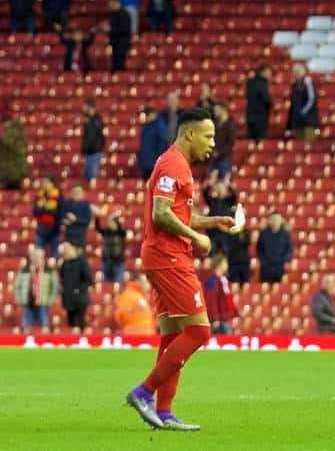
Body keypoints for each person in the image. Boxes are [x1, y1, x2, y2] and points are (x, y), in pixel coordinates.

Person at [126, 108, 234, 432]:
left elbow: (177, 214)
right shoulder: (173, 163)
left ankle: (164, 411)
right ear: (190, 134)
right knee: (200, 332)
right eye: (208, 135)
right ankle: (143, 392)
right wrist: (194, 237)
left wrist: (213, 222)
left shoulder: (177, 165)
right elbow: (161, 214)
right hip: (168, 256)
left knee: (173, 335)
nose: (212, 143)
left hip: (165, 255)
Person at [13, 247, 58, 331]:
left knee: (44, 325)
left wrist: (50, 300)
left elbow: (54, 287)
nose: (38, 259)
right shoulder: (24, 270)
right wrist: (19, 298)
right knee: (27, 326)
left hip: (43, 302)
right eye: (36, 257)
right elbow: (17, 286)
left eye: (40, 257)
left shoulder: (49, 271)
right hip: (28, 301)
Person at [59, 242, 93, 330]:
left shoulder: (81, 262)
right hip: (68, 297)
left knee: (81, 321)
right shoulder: (65, 263)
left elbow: (88, 280)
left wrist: (79, 289)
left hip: (80, 297)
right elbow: (62, 277)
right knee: (71, 321)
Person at [203, 256, 238, 335]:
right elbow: (211, 300)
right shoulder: (212, 280)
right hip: (219, 319)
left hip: (226, 318)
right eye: (225, 263)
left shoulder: (224, 280)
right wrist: (215, 318)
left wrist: (235, 314)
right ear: (219, 265)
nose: (227, 265)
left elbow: (228, 299)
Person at [286, 63, 319, 142]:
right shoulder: (294, 85)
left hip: (308, 121)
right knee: (299, 144)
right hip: (297, 122)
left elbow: (312, 100)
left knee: (309, 144)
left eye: (296, 73)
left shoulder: (308, 83)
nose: (294, 75)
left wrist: (302, 112)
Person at [257, 213, 292, 283]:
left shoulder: (285, 234)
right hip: (266, 268)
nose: (275, 221)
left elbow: (289, 249)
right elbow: (259, 250)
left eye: (277, 219)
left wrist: (283, 261)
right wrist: (264, 262)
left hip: (279, 267)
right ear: (269, 221)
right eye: (273, 219)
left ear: (281, 221)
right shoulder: (263, 234)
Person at [97, 210, 128, 283]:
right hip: (107, 261)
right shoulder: (106, 231)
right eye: (109, 222)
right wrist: (97, 217)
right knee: (107, 285)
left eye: (111, 222)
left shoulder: (121, 233)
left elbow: (122, 229)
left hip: (118, 262)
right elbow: (98, 228)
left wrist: (113, 217)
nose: (109, 224)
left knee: (118, 283)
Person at [245, 64, 273, 140]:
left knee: (251, 140)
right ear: (262, 72)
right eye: (268, 72)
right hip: (260, 116)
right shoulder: (262, 83)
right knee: (260, 140)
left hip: (250, 115)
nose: (270, 75)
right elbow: (266, 99)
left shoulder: (250, 82)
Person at [138, 107, 167, 179]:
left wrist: (158, 161)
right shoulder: (146, 126)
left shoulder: (159, 126)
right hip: (146, 163)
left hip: (154, 163)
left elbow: (162, 145)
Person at [81, 100, 105, 183]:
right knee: (88, 176)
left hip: (94, 151)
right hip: (90, 151)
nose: (83, 109)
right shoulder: (91, 120)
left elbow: (92, 137)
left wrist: (86, 148)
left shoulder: (95, 120)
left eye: (85, 106)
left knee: (92, 176)